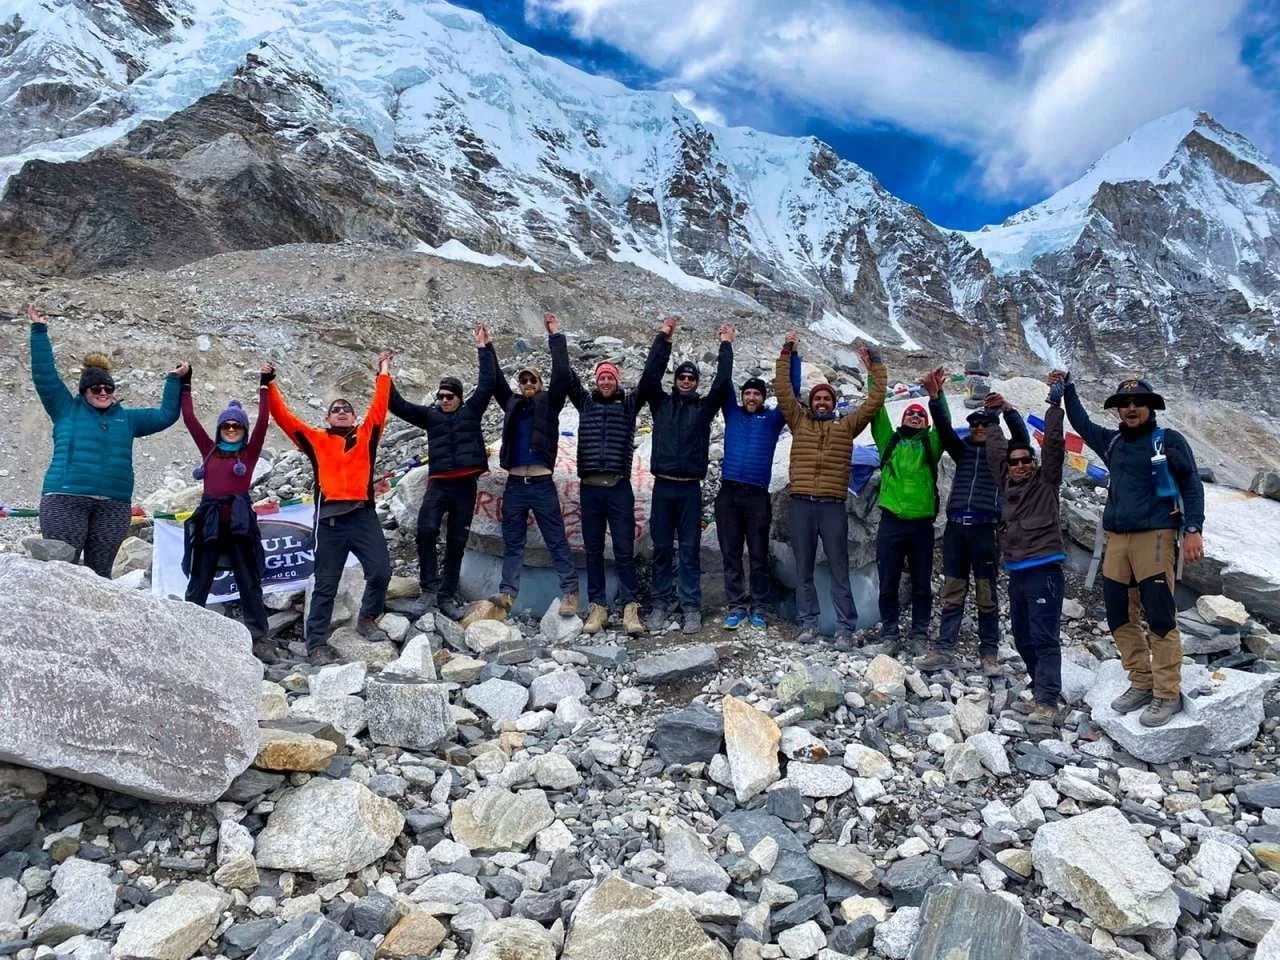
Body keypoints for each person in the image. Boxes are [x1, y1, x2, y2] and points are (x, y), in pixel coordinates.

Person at [1059, 371, 1205, 727]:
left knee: (1159, 615)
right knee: (1118, 613)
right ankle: (1141, 682)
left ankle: (1167, 693)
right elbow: (1081, 422)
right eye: (1124, 403)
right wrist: (1068, 389)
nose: (1131, 408)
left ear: (1150, 407)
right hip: (1116, 539)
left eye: (1138, 402)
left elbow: (1191, 484)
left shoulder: (1167, 441)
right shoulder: (1112, 442)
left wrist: (1193, 529)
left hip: (1155, 536)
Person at [27, 304, 184, 577]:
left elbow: (166, 415)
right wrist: (39, 330)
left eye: (108, 388)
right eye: (96, 388)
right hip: (65, 499)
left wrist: (173, 380)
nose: (103, 392)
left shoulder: (128, 419)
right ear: (84, 391)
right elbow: (45, 376)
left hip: (114, 506)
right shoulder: (65, 408)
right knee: (62, 571)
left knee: (100, 575)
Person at [265, 353, 393, 664]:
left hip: (363, 516)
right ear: (327, 418)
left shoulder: (367, 435)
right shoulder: (315, 439)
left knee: (381, 571)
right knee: (325, 584)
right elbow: (283, 417)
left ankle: (368, 617)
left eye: (347, 409)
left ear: (355, 417)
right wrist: (268, 384)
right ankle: (316, 645)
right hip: (330, 521)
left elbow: (380, 405)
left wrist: (384, 372)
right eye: (336, 410)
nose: (342, 412)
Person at [775, 331, 887, 648]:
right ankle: (808, 623)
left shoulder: (846, 426)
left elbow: (874, 401)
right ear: (811, 403)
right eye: (817, 399)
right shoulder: (799, 422)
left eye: (827, 399)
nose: (822, 402)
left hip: (832, 506)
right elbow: (783, 391)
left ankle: (844, 628)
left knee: (839, 567)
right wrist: (786, 352)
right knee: (804, 568)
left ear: (834, 404)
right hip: (801, 505)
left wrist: (876, 366)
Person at [467, 313, 578, 626]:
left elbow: (561, 374)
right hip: (515, 484)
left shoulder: (551, 403)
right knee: (513, 542)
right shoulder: (512, 404)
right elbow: (496, 381)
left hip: (542, 484)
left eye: (533, 380)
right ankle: (507, 594)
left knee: (556, 539)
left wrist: (555, 336)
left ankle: (570, 591)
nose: (528, 384)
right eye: (524, 381)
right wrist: (486, 347)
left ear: (540, 385)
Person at [918, 376, 1029, 674]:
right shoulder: (962, 449)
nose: (979, 427)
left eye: (984, 424)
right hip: (956, 528)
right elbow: (943, 428)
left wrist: (1007, 410)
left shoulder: (1003, 456)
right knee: (952, 591)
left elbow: (1022, 439)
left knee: (986, 593)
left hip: (986, 529)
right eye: (974, 424)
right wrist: (935, 398)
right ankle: (944, 649)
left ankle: (989, 654)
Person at [388, 324, 497, 621]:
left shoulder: (472, 411)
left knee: (457, 541)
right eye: (440, 396)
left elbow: (487, 382)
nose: (444, 400)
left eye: (449, 396)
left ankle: (447, 595)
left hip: (465, 486)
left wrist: (484, 347)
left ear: (459, 397)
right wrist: (384, 373)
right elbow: (396, 404)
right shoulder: (430, 416)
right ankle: (428, 590)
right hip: (438, 484)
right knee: (425, 531)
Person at [556, 314, 652, 636]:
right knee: (593, 550)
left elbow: (650, 377)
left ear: (617, 381)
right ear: (596, 381)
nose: (606, 382)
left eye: (611, 377)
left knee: (624, 550)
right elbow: (566, 375)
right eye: (602, 378)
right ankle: (598, 607)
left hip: (619, 488)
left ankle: (630, 608)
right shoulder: (584, 404)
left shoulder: (629, 405)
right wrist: (556, 336)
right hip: (590, 489)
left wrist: (664, 339)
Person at [641, 317, 734, 634]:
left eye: (691, 377)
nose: (685, 381)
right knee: (662, 549)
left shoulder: (704, 410)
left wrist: (725, 345)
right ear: (675, 380)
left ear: (696, 382)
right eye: (681, 376)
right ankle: (660, 604)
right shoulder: (660, 404)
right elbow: (649, 377)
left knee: (690, 550)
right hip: (663, 488)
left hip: (690, 490)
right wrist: (663, 339)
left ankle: (691, 607)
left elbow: (722, 383)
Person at [986, 384, 1067, 725]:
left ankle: (1048, 702)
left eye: (1024, 460)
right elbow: (994, 451)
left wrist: (1054, 405)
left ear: (1033, 463)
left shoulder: (1045, 482)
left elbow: (1054, 446)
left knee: (1043, 636)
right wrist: (993, 416)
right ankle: (1039, 689)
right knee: (1022, 636)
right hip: (1017, 572)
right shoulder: (1006, 485)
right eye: (1014, 462)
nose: (1019, 465)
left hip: (1044, 571)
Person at [180, 366, 272, 653]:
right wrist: (186, 383)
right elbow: (190, 419)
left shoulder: (249, 452)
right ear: (220, 429)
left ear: (244, 430)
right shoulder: (208, 449)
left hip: (240, 524)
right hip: (209, 522)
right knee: (200, 577)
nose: (231, 429)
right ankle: (186, 631)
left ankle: (258, 637)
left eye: (237, 426)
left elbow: (264, 421)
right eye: (226, 426)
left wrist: (264, 385)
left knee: (248, 579)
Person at [716, 351, 800, 629]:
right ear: (742, 396)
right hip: (728, 494)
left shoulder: (773, 420)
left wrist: (792, 355)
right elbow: (723, 380)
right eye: (748, 393)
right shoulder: (731, 413)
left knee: (758, 554)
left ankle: (759, 607)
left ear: (763, 398)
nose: (751, 398)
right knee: (730, 552)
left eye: (756, 394)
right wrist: (726, 346)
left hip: (757, 496)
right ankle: (736, 606)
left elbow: (792, 392)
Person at [871, 377, 945, 651]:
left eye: (920, 415)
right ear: (902, 419)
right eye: (910, 413)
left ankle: (919, 634)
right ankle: (889, 633)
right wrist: (874, 374)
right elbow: (876, 412)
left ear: (926, 424)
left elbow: (944, 424)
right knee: (887, 579)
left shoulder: (931, 445)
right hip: (891, 521)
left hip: (921, 525)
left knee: (921, 582)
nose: (915, 416)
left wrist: (937, 395)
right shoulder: (889, 441)